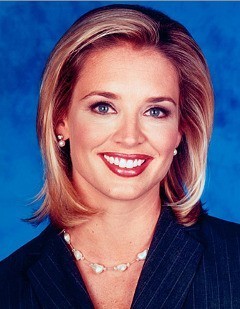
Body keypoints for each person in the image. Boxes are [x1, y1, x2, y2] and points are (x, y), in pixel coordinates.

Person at [0, 4, 240, 308]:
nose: (130, 137)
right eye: (103, 107)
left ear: (180, 130)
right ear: (61, 121)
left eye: (155, 111)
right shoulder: (8, 288)